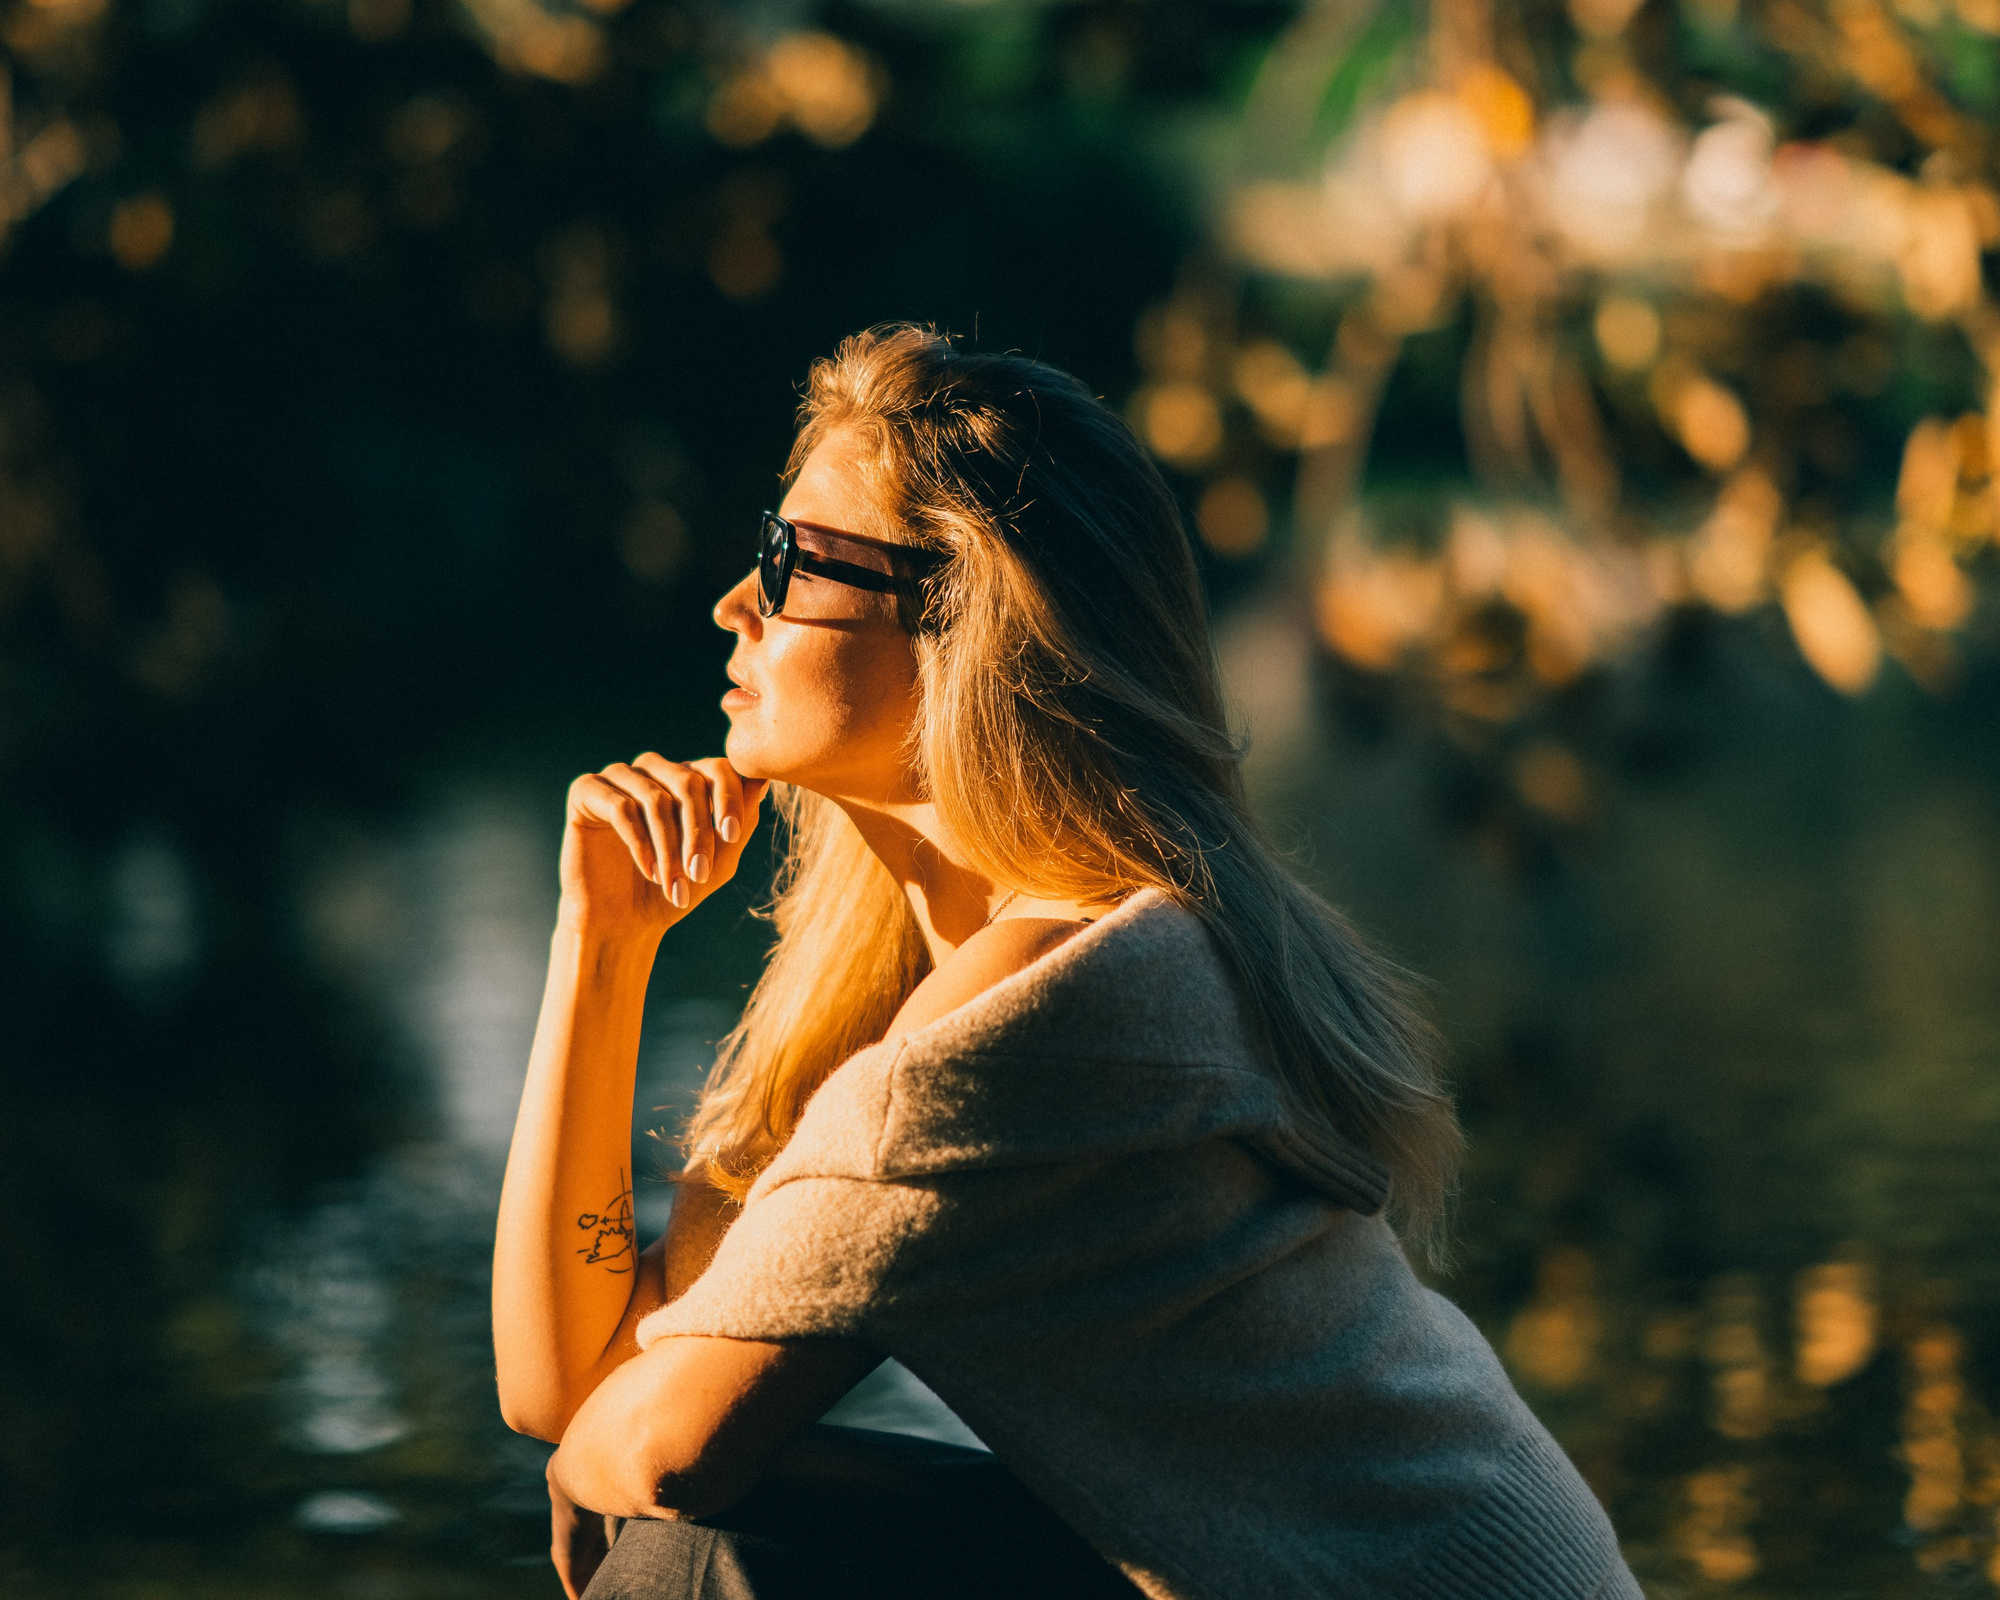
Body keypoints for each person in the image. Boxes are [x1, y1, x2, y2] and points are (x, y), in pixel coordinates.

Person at [491, 325, 1641, 1600]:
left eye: (793, 559)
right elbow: (568, 1386)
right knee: (707, 1539)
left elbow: (661, 1449)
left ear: (968, 619)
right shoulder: (909, 987)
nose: (736, 602)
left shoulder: (1050, 1007)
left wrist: (597, 1458)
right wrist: (600, 945)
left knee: (678, 1561)